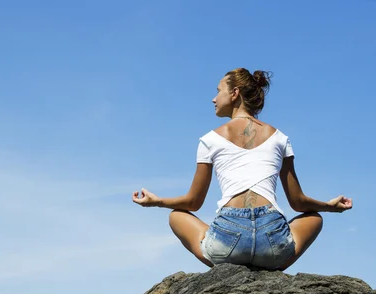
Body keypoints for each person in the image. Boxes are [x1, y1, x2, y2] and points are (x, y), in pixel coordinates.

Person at [132, 68, 352, 270]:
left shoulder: (210, 140)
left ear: (234, 93)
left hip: (227, 241)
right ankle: (271, 266)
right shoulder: (280, 138)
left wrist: (156, 202)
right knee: (315, 218)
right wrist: (329, 206)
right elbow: (298, 202)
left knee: (176, 216)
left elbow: (193, 203)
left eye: (218, 91)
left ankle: (229, 266)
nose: (213, 98)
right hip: (272, 241)